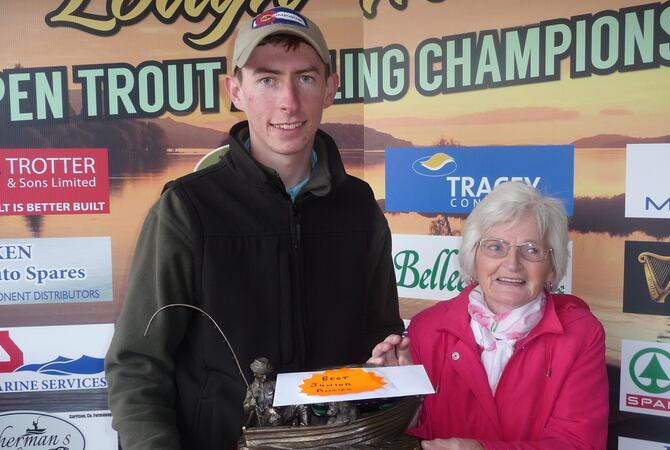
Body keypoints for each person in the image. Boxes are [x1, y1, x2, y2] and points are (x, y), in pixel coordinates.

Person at [105, 7, 403, 450]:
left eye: (305, 77)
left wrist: (388, 366)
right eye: (266, 79)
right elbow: (138, 365)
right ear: (236, 90)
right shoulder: (187, 209)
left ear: (330, 88)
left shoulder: (359, 208)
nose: (288, 101)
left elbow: (380, 340)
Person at [370, 181, 609, 449]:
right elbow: (409, 431)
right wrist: (391, 395)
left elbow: (579, 444)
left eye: (532, 250)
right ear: (473, 258)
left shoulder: (581, 334)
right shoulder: (428, 327)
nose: (512, 263)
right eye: (496, 247)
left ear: (552, 269)